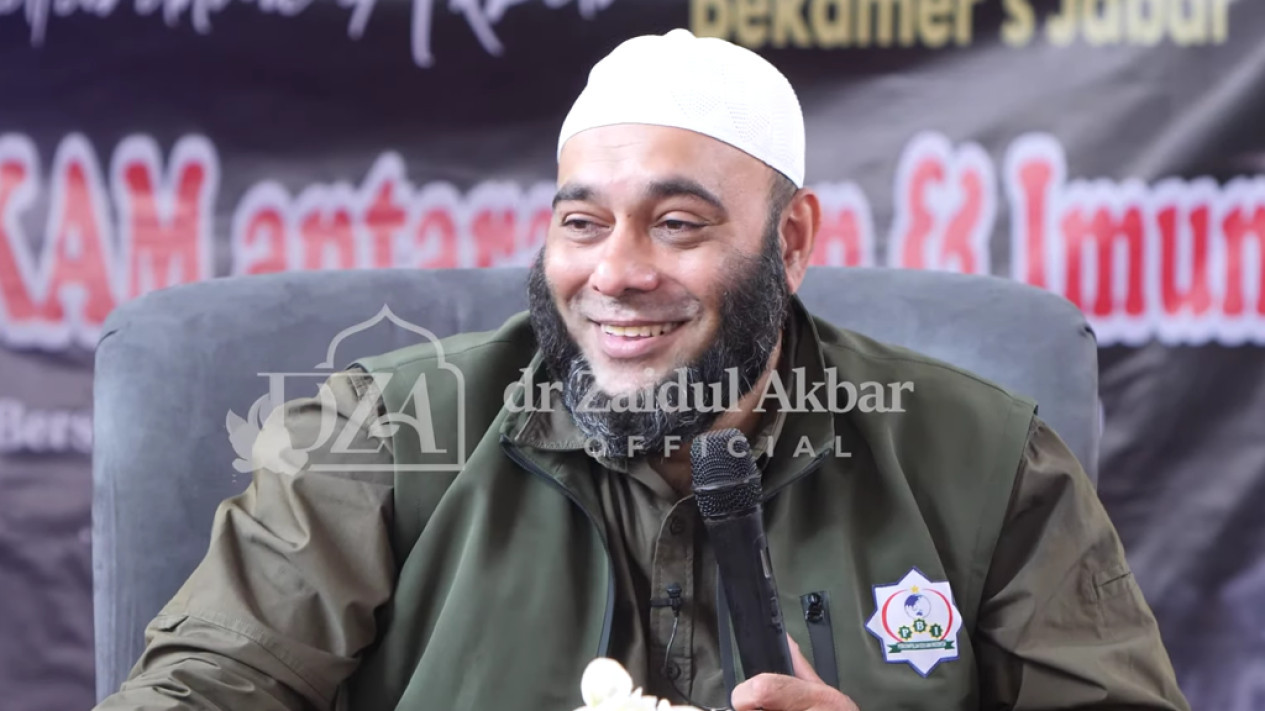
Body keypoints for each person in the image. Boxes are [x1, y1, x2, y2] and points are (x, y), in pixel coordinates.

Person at [94, 29, 1190, 711]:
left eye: (676, 223)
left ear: (791, 242)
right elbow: (198, 691)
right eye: (582, 222)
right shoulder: (382, 431)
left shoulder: (987, 463)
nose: (613, 273)